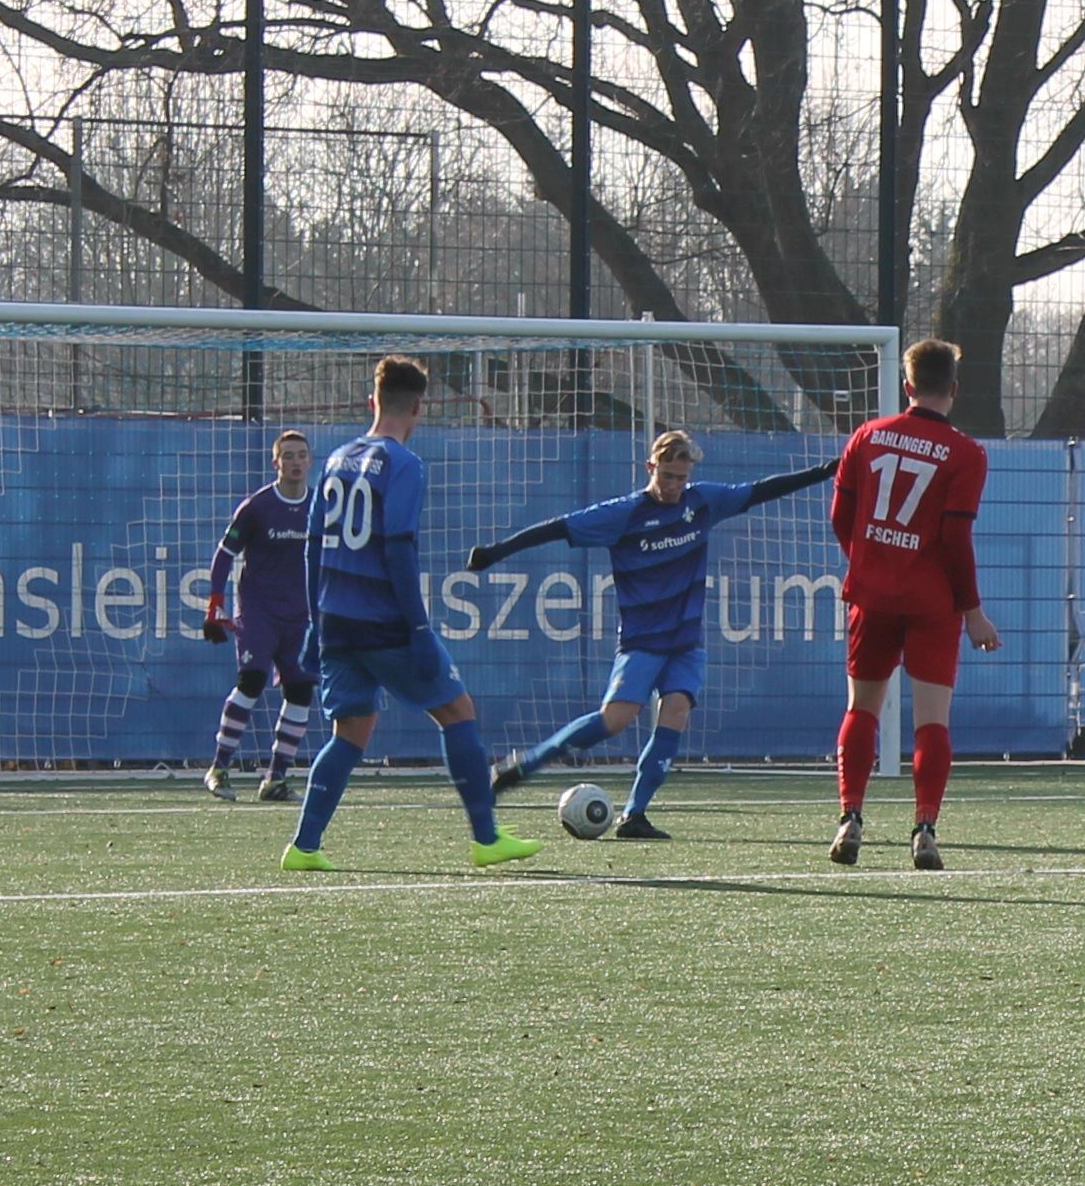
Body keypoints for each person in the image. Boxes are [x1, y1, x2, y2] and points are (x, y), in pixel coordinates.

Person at [468, 430, 837, 839]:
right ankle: (522, 767)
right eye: (667, 476)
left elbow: (759, 492)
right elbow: (557, 528)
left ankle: (634, 815)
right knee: (616, 720)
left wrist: (823, 472)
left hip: (685, 642)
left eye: (681, 477)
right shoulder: (623, 514)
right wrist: (497, 551)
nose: (674, 485)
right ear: (651, 468)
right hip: (643, 642)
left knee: (675, 710)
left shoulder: (703, 502)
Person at [280, 356, 541, 872]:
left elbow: (312, 547)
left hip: (334, 620)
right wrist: (418, 628)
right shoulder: (404, 464)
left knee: (350, 730)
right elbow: (397, 547)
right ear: (419, 408)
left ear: (371, 401)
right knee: (456, 711)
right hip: (384, 622)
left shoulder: (334, 460)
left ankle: (304, 847)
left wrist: (314, 620)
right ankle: (486, 837)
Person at [825, 339, 1004, 868]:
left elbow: (841, 517)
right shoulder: (966, 453)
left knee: (862, 707)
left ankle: (851, 816)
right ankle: (924, 828)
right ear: (954, 388)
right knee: (932, 721)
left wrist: (870, 562)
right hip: (932, 603)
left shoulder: (868, 436)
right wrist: (972, 611)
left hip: (872, 594)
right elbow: (955, 540)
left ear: (907, 386)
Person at [198, 429, 320, 802]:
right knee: (251, 680)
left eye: (301, 455)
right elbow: (224, 555)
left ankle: (275, 779)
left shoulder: (321, 507)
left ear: (310, 461)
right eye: (288, 456)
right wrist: (215, 601)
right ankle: (219, 768)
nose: (296, 462)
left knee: (300, 691)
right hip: (259, 610)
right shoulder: (257, 507)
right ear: (276, 463)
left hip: (302, 616)